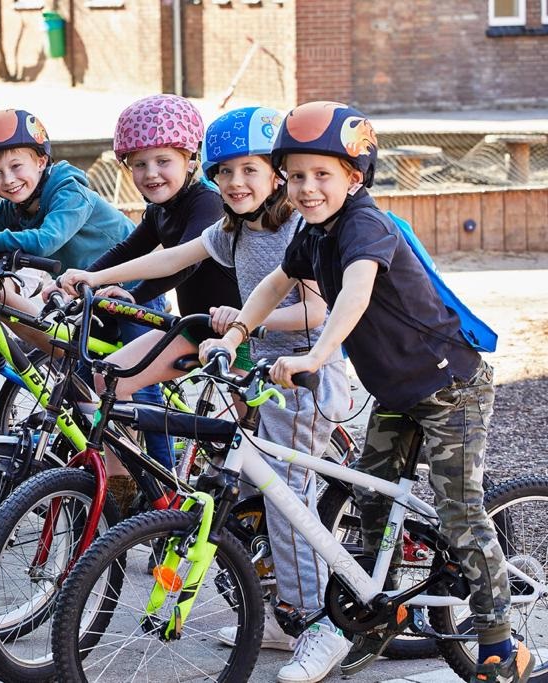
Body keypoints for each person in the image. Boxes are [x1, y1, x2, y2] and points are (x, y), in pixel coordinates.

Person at [206, 101, 521, 683]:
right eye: (295, 175)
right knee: (369, 503)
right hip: (397, 394)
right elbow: (275, 284)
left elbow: (355, 292)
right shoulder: (314, 233)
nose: (307, 187)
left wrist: (315, 355)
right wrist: (236, 333)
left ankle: (500, 639)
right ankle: (377, 612)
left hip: (451, 387)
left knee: (458, 509)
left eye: (321, 174)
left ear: (354, 176)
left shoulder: (364, 226)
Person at [58, 107, 351, 683]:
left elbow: (316, 313)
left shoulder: (299, 231)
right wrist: (97, 278)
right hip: (252, 369)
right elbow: (171, 257)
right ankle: (280, 614)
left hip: (301, 378)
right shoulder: (233, 229)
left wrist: (243, 321)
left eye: (250, 170)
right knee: (248, 498)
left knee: (285, 502)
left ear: (277, 174)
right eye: (225, 173)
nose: (236, 183)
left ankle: (320, 627)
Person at [45, 94, 238, 485]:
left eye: (163, 161)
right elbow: (127, 249)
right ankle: (129, 482)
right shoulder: (160, 209)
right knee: (109, 377)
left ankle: (180, 482)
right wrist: (81, 278)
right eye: (139, 164)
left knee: (252, 437)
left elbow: (184, 262)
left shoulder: (208, 203)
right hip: (196, 327)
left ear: (191, 159)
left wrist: (134, 293)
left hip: (237, 330)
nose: (151, 174)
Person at [0, 107, 133, 403]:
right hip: (91, 296)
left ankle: (153, 432)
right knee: (88, 388)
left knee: (129, 385)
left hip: (134, 289)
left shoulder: (69, 191)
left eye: (16, 166)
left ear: (41, 161)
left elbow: (46, 240)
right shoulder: (15, 208)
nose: (8, 179)